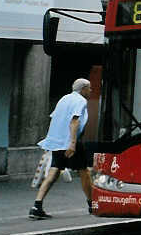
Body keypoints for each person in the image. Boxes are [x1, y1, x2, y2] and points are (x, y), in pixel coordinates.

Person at [29, 78, 94, 219]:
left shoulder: (64, 99)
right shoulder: (81, 101)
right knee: (84, 172)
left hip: (57, 141)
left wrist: (51, 141)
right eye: (89, 88)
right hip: (70, 141)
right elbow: (74, 121)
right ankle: (92, 204)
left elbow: (55, 118)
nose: (91, 91)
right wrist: (72, 143)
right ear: (83, 89)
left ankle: (36, 206)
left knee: (53, 172)